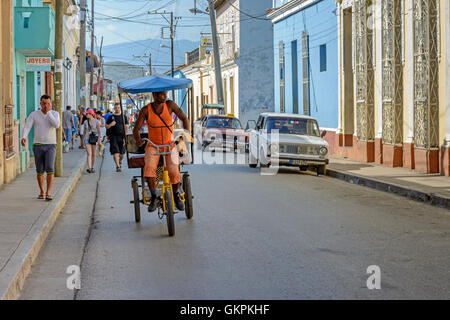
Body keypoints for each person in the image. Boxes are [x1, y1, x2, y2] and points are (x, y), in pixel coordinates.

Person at [133, 91, 190, 212]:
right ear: (154, 95)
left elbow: (184, 118)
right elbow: (136, 129)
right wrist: (138, 141)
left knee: (174, 171)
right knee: (149, 169)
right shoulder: (146, 110)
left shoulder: (170, 105)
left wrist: (186, 136)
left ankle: (175, 195)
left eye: (165, 94)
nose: (164, 97)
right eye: (161, 95)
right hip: (153, 145)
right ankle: (154, 197)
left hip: (170, 145)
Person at [21, 95, 60, 201]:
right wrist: (24, 137)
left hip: (51, 145)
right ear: (40, 103)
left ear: (51, 104)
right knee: (39, 170)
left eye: (48, 103)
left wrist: (48, 113)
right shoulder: (34, 114)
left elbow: (56, 125)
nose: (45, 105)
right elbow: (28, 126)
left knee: (50, 168)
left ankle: (48, 192)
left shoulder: (55, 114)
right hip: (38, 145)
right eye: (43, 103)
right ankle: (42, 191)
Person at [106, 103, 128, 172]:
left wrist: (125, 136)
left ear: (120, 108)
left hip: (122, 136)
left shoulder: (124, 117)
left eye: (118, 107)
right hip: (113, 136)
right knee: (115, 151)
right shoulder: (111, 117)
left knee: (122, 153)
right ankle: (118, 166)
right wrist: (111, 124)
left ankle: (120, 160)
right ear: (114, 108)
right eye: (116, 107)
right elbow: (106, 126)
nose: (117, 109)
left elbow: (126, 127)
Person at [83, 109, 102, 173]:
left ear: (91, 114)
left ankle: (92, 167)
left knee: (93, 154)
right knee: (89, 154)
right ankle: (89, 168)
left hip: (94, 139)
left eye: (87, 114)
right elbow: (84, 131)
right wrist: (83, 140)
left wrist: (99, 140)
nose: (86, 115)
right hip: (87, 139)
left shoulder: (96, 121)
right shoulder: (85, 122)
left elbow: (99, 132)